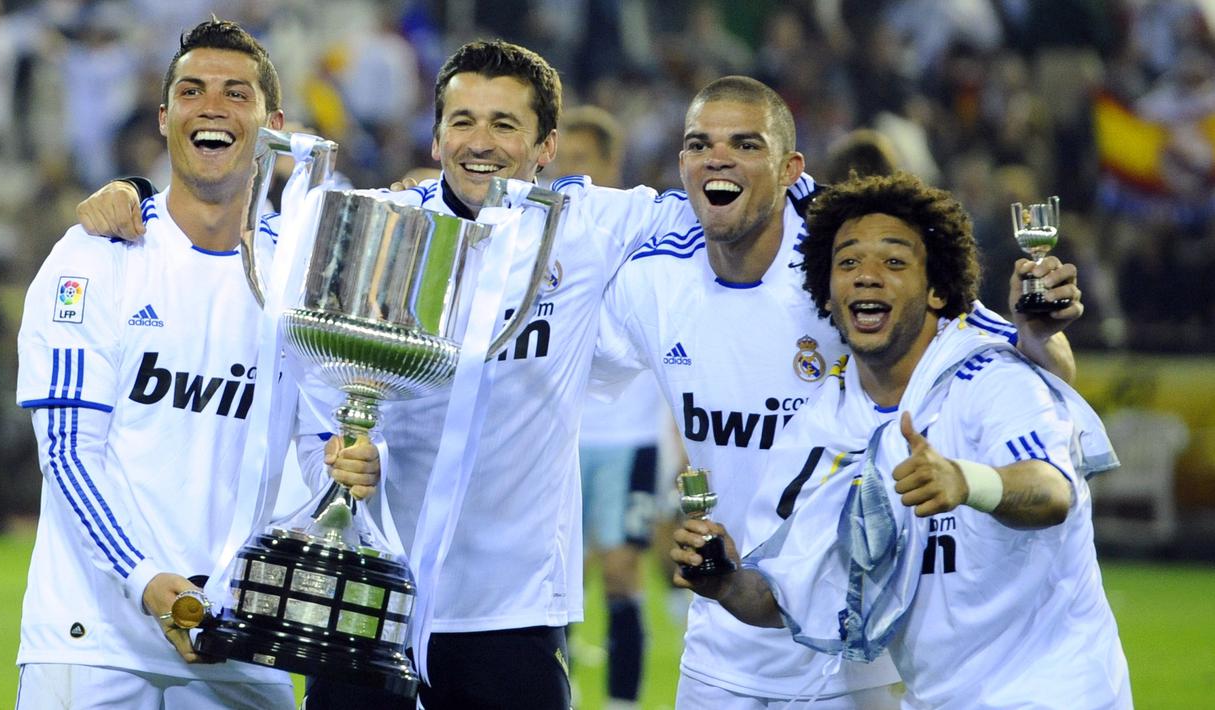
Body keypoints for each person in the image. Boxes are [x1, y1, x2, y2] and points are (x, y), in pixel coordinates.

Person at [72, 57, 1081, 709]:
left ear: (546, 146)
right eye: (460, 119)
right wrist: (137, 203)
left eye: (505, 124)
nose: (479, 141)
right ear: (434, 135)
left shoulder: (593, 226)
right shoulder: (379, 223)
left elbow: (726, 202)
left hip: (511, 606)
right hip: (366, 590)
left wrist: (1000, 316)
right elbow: (278, 306)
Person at [589, 77, 1083, 708]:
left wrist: (1042, 335)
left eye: (744, 144)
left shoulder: (852, 263)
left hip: (854, 652)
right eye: (699, 144)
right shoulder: (652, 279)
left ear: (791, 168)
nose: (717, 158)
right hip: (722, 636)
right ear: (682, 163)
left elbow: (1027, 366)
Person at [14, 19, 374, 709]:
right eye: (192, 90)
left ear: (271, 125)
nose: (212, 105)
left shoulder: (302, 278)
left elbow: (314, 447)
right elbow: (67, 455)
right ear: (164, 116)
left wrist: (348, 458)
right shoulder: (95, 257)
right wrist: (146, 581)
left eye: (235, 93)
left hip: (241, 643)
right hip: (90, 644)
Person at [670, 172, 1131, 708]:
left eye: (893, 262)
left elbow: (1052, 493)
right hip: (935, 698)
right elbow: (779, 594)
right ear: (826, 292)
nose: (866, 277)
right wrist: (725, 582)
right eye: (847, 263)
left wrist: (965, 481)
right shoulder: (823, 426)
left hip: (1057, 692)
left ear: (937, 289)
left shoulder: (990, 376)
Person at [550, 105, 663, 708]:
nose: (567, 175)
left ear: (609, 166)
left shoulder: (643, 239)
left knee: (621, 574)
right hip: (558, 442)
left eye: (581, 163)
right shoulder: (538, 240)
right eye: (560, 162)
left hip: (629, 440)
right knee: (555, 584)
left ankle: (622, 704)